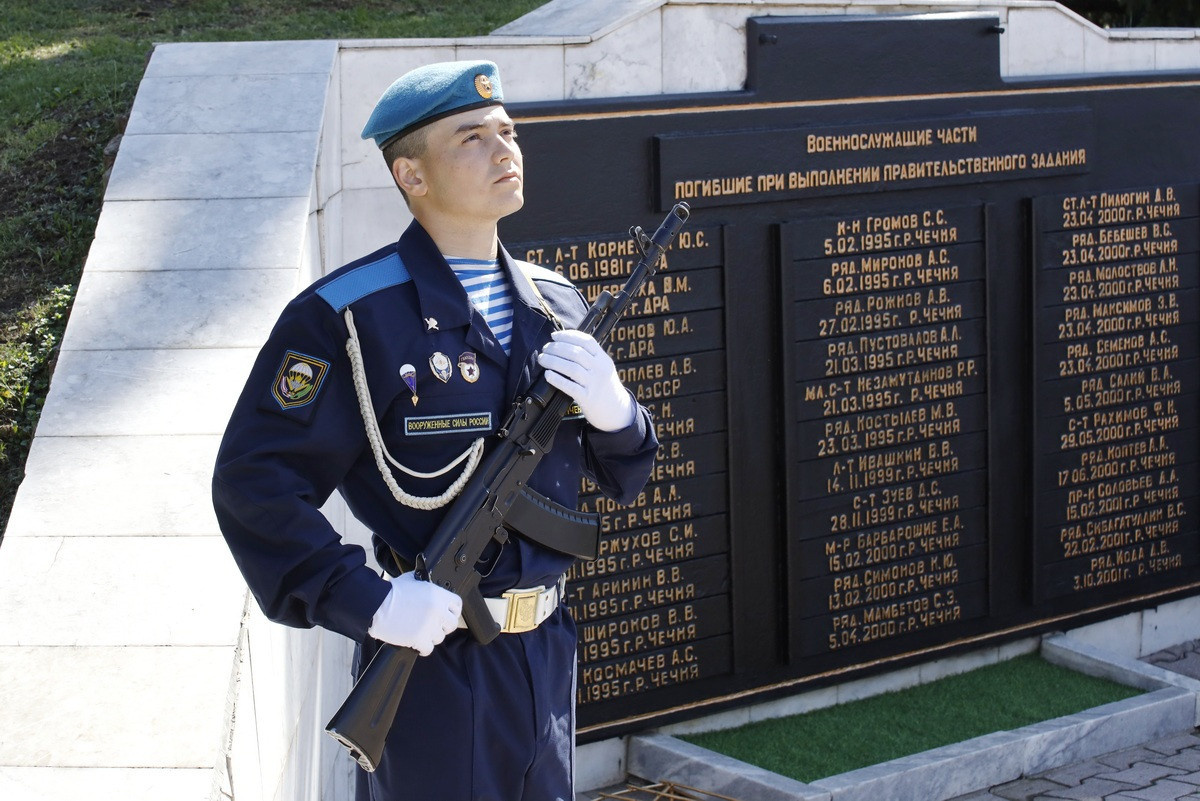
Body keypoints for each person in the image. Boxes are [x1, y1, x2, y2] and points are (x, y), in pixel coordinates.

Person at [211, 60, 658, 801]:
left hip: (545, 652)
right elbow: (255, 482)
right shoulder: (348, 315)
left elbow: (623, 475)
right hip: (431, 661)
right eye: (471, 138)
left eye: (508, 131)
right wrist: (368, 599)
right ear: (411, 176)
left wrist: (620, 416)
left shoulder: (556, 302)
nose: (504, 149)